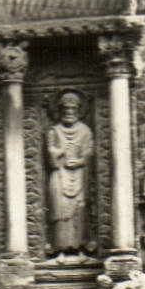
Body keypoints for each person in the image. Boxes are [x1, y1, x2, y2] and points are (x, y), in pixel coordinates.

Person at [46, 91, 95, 252]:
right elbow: (50, 154)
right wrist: (58, 153)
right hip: (60, 174)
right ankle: (59, 248)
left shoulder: (85, 131)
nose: (69, 112)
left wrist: (80, 161)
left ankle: (80, 247)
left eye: (73, 109)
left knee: (79, 209)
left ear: (79, 111)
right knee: (59, 208)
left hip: (79, 175)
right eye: (65, 109)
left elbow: (88, 151)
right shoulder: (54, 131)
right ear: (59, 111)